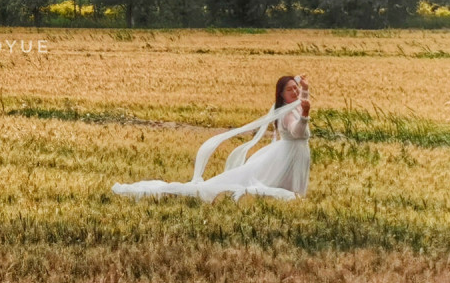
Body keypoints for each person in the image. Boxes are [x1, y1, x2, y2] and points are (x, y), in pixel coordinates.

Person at [112, 75, 311, 202]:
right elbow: (297, 132)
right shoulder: (286, 114)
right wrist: (305, 116)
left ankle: (291, 198)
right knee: (272, 183)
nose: (294, 91)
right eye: (290, 89)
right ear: (281, 95)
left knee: (283, 180)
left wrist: (305, 89)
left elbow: (302, 103)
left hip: (292, 151)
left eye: (295, 88)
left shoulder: (291, 106)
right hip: (289, 151)